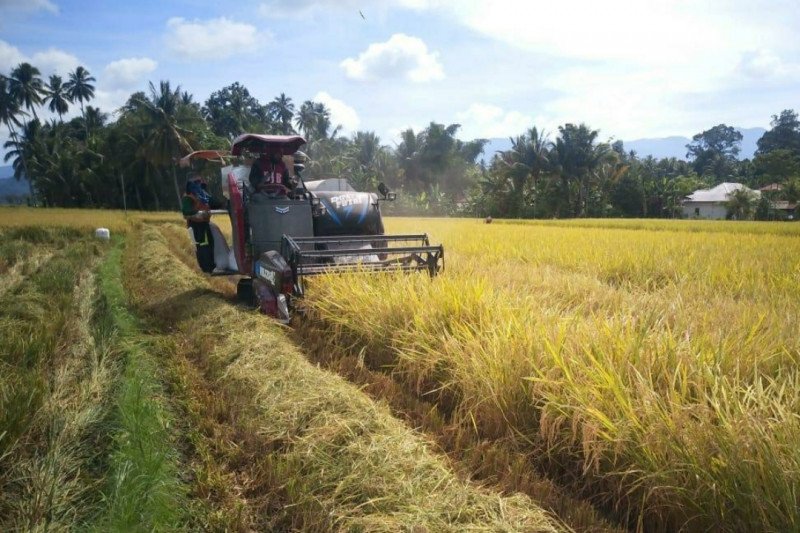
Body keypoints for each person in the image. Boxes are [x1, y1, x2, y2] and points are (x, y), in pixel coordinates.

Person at [182, 174, 224, 273]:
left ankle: (211, 266)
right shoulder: (188, 198)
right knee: (204, 246)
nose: (201, 187)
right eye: (198, 185)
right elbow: (186, 211)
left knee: (210, 244)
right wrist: (198, 214)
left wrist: (225, 203)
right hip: (197, 226)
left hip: (204, 224)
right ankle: (209, 268)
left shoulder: (203, 195)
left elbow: (215, 203)